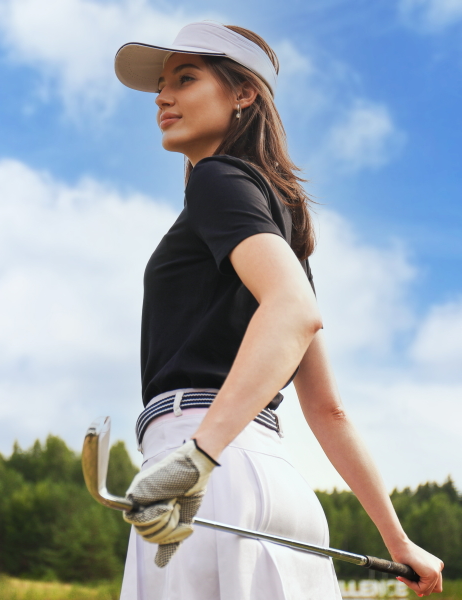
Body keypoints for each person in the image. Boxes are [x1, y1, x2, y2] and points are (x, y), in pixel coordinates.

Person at [113, 21, 444, 600]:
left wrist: (197, 459)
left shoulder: (216, 180)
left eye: (185, 78)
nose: (162, 97)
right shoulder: (281, 235)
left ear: (244, 93)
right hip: (273, 483)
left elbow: (293, 311)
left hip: (206, 471)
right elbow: (328, 409)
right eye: (162, 85)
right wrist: (397, 540)